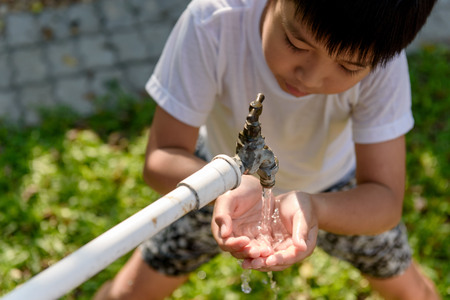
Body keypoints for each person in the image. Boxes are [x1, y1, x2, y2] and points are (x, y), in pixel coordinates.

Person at [94, 0, 441, 299]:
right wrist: (228, 186)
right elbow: (161, 158)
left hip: (335, 192)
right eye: (295, 42)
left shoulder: (382, 61)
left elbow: (384, 200)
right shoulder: (214, 22)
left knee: (411, 293)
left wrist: (314, 207)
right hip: (218, 179)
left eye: (349, 67)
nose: (311, 76)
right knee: (128, 293)